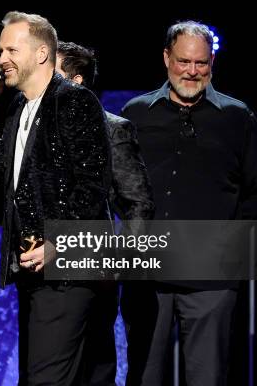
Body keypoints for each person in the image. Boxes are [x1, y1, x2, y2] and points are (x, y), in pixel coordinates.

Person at [121, 20, 257, 385]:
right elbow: (116, 185)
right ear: (166, 58)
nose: (192, 71)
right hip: (146, 273)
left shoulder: (238, 117)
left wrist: (224, 245)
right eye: (184, 61)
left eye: (201, 63)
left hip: (211, 279)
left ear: (211, 63)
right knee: (144, 376)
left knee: (207, 378)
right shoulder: (136, 114)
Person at [0, 11, 114, 384]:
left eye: (11, 50)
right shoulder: (18, 109)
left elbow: (92, 185)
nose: (1, 60)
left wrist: (56, 243)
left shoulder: (75, 101)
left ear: (42, 53)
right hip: (33, 271)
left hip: (67, 270)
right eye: (1, 51)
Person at [56, 40, 157, 386]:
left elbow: (138, 204)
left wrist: (121, 265)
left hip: (92, 272)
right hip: (44, 271)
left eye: (50, 73)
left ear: (76, 81)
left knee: (95, 369)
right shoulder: (34, 126)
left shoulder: (113, 129)